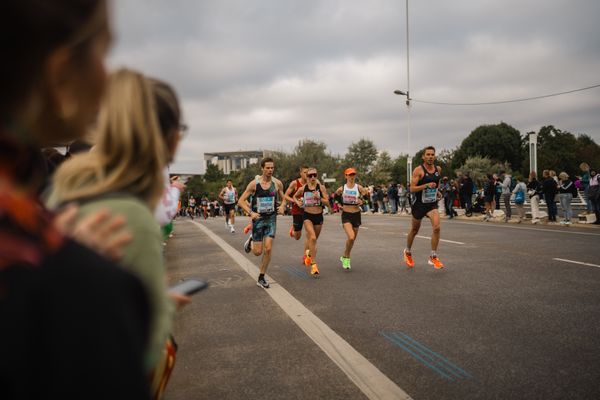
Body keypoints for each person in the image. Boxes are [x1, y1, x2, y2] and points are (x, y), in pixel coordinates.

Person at [0, 1, 151, 398]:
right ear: (61, 74)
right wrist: (71, 263)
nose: (105, 77)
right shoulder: (78, 291)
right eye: (102, 52)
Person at [50, 69, 190, 379]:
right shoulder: (130, 215)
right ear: (167, 136)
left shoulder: (65, 186)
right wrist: (164, 307)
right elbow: (147, 345)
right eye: (179, 127)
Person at [237, 158, 286, 288]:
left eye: (272, 168)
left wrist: (282, 207)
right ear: (262, 169)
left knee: (268, 248)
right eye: (268, 168)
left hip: (271, 219)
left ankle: (261, 277)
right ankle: (252, 239)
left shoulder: (277, 184)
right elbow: (241, 201)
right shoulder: (254, 184)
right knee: (257, 252)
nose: (270, 170)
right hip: (258, 220)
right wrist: (250, 212)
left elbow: (284, 197)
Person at [403, 146, 444, 269]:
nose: (430, 157)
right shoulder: (418, 170)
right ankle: (407, 251)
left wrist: (437, 191)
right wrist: (426, 185)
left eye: (432, 154)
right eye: (428, 155)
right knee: (415, 230)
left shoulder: (438, 169)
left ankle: (433, 256)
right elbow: (411, 188)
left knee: (437, 227)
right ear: (423, 156)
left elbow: (437, 182)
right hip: (419, 205)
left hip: (431, 204)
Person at [294, 168, 330, 276]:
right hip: (307, 216)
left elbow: (327, 202)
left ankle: (309, 254)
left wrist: (319, 198)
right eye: (310, 176)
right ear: (307, 177)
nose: (313, 177)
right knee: (312, 237)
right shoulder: (303, 188)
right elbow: (294, 196)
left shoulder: (321, 188)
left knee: (313, 241)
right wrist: (298, 203)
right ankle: (314, 265)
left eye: (315, 175)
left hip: (318, 216)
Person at [334, 168, 370, 270]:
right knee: (351, 237)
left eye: (353, 174)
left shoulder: (359, 188)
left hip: (356, 215)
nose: (352, 177)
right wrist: (339, 205)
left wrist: (363, 202)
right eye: (349, 175)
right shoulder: (342, 189)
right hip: (346, 215)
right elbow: (335, 199)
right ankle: (347, 258)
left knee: (352, 239)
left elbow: (367, 199)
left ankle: (345, 255)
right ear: (345, 176)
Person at [284, 165, 310, 262]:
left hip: (308, 211)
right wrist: (295, 201)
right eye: (305, 172)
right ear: (301, 173)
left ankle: (306, 256)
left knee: (309, 234)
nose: (307, 174)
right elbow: (286, 196)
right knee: (297, 237)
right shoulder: (295, 183)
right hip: (297, 212)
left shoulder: (312, 182)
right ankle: (293, 231)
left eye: (308, 172)